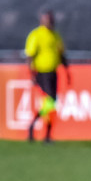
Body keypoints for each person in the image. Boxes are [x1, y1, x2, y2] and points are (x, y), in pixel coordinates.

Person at [24, 9, 69, 144]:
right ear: (42, 20)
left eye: (51, 19)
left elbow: (61, 54)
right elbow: (30, 55)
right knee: (49, 101)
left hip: (53, 73)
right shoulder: (36, 35)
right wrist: (32, 74)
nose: (49, 22)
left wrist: (67, 72)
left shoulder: (55, 36)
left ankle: (45, 134)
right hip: (42, 73)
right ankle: (37, 129)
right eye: (47, 19)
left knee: (50, 103)